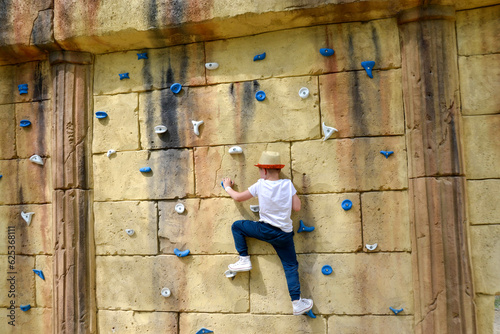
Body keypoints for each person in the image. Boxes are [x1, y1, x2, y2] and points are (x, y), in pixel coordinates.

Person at [222, 151, 313, 316]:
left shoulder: (260, 185)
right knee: (291, 266)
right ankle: (297, 303)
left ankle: (244, 259)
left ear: (264, 171)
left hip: (265, 230)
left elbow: (239, 197)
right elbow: (297, 207)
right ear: (278, 169)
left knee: (237, 226)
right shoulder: (287, 184)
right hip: (284, 234)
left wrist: (228, 187)